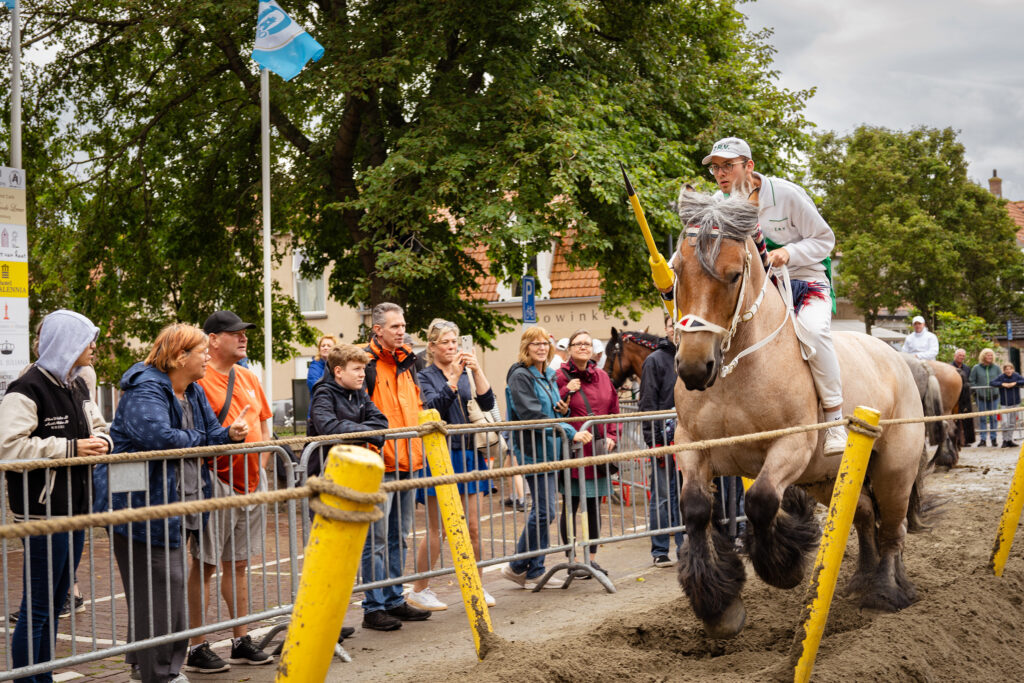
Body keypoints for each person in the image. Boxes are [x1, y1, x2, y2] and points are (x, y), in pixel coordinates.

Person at [100, 323, 250, 683]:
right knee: (162, 585)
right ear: (180, 356)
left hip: (173, 502)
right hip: (139, 504)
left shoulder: (192, 390)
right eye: (201, 351)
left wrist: (229, 434)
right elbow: (159, 437)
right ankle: (162, 672)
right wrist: (204, 439)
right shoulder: (146, 387)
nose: (207, 357)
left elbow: (211, 433)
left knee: (158, 586)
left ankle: (145, 666)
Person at [702, 137, 847, 455]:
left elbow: (825, 239)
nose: (720, 173)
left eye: (728, 165)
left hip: (805, 281)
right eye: (715, 167)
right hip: (761, 288)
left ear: (749, 166)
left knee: (812, 329)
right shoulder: (718, 204)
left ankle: (835, 421)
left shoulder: (786, 194)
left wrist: (790, 253)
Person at [1, 310, 112, 683]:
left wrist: (104, 441)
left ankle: (41, 678)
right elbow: (7, 448)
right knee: (38, 607)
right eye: (87, 339)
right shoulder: (27, 387)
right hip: (42, 513)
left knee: (54, 603)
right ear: (66, 342)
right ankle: (27, 679)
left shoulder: (75, 384)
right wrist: (69, 448)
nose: (94, 346)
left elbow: (98, 426)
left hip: (74, 509)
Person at [186, 311, 273, 672]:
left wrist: (261, 469)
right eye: (234, 333)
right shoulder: (199, 381)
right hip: (215, 482)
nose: (243, 338)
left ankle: (240, 639)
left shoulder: (250, 376)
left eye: (244, 333)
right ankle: (197, 646)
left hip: (251, 482)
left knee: (238, 564)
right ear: (212, 339)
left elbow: (265, 426)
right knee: (204, 564)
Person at [407, 319, 497, 611]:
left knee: (472, 527)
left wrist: (476, 369)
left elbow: (487, 402)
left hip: (469, 452)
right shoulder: (424, 375)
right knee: (439, 528)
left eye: (455, 342)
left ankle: (476, 586)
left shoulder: (467, 371)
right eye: (445, 343)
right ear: (431, 347)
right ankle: (420, 588)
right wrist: (454, 379)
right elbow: (434, 408)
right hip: (440, 455)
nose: (452, 347)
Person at [307, 342, 389, 645]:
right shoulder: (323, 392)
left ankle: (333, 618)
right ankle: (318, 618)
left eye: (364, 368)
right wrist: (365, 430)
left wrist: (360, 429)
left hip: (350, 477)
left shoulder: (359, 393)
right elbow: (328, 426)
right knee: (325, 552)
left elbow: (381, 424)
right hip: (325, 477)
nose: (363, 374)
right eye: (357, 369)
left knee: (345, 552)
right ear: (338, 370)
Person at [502, 326, 591, 589]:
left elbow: (548, 412)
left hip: (551, 448)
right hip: (533, 450)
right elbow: (531, 414)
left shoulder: (549, 375)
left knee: (546, 511)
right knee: (545, 511)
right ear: (526, 347)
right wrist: (568, 430)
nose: (541, 347)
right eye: (535, 343)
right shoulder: (520, 375)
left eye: (545, 343)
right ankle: (521, 566)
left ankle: (530, 570)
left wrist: (561, 409)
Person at [360, 303, 431, 630]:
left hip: (408, 460)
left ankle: (393, 598)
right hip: (379, 463)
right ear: (377, 329)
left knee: (398, 536)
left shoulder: (408, 363)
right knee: (375, 539)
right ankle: (374, 606)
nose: (401, 331)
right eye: (394, 326)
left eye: (403, 325)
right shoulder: (366, 364)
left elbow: (415, 407)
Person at [555, 329, 619, 578]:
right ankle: (571, 558)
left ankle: (590, 560)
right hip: (572, 451)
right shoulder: (559, 376)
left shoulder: (602, 376)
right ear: (569, 348)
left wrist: (612, 435)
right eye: (577, 343)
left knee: (594, 506)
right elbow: (554, 410)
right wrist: (566, 391)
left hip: (598, 452)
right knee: (570, 506)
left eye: (587, 343)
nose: (583, 347)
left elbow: (614, 410)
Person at [639, 315, 684, 567]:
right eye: (671, 325)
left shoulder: (689, 356)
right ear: (666, 329)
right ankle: (660, 549)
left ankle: (684, 546)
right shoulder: (654, 360)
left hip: (686, 441)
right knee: (662, 497)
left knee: (684, 494)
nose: (675, 329)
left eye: (679, 325)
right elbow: (647, 404)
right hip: (664, 440)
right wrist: (653, 441)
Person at [970, 348, 1000, 447]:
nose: (990, 357)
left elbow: (1000, 379)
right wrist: (977, 391)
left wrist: (997, 389)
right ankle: (982, 439)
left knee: (993, 418)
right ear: (983, 356)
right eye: (988, 355)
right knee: (982, 418)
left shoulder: (996, 368)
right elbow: (972, 381)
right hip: (981, 397)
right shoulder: (976, 368)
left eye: (991, 355)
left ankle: (994, 438)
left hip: (994, 397)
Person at [990, 363, 1024, 448]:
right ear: (1004, 370)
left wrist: (1015, 383)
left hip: (1015, 403)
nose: (1008, 371)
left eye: (1010, 369)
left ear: (1013, 369)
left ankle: (1009, 440)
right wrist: (1002, 384)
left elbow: (1023, 381)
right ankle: (1004, 440)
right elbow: (992, 382)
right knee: (1005, 422)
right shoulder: (1001, 377)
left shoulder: (1016, 376)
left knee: (1012, 422)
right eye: (1006, 369)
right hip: (1005, 403)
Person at [951, 348, 975, 447]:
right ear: (955, 356)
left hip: (965, 397)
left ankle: (965, 440)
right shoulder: (950, 367)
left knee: (965, 419)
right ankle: (956, 440)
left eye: (963, 356)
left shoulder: (967, 368)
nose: (961, 357)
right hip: (954, 397)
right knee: (955, 419)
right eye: (959, 355)